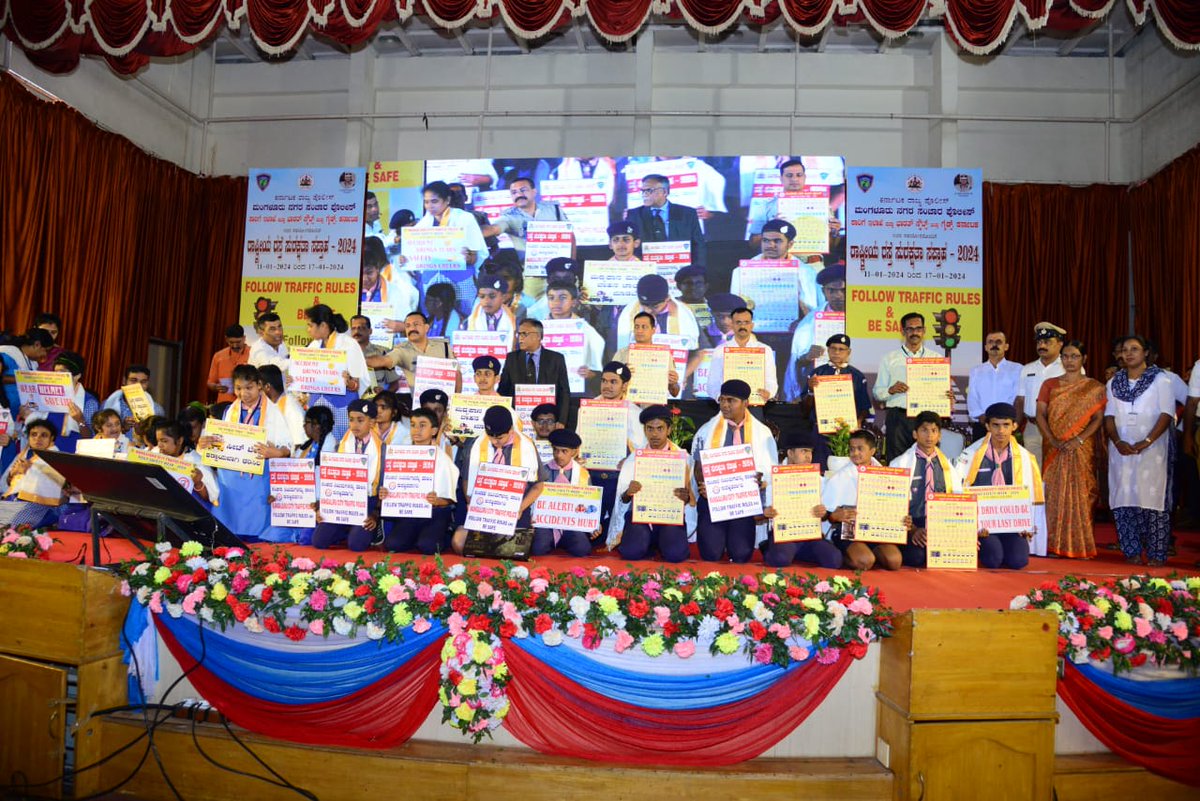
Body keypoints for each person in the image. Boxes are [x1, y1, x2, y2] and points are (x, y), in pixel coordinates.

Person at [1104, 335, 1176, 566]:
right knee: (1123, 496)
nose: (1129, 353)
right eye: (1125, 349)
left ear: (1146, 352)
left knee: (1152, 498)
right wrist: (1117, 441)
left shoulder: (1161, 380)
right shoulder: (1114, 382)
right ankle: (1131, 551)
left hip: (1152, 451)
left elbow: (1166, 414)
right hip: (1122, 451)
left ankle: (1156, 554)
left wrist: (1146, 441)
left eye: (1135, 349)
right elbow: (1109, 416)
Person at [201, 364, 294, 541]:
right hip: (232, 471)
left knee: (259, 501)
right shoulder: (230, 411)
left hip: (260, 472)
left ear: (260, 385)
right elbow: (219, 443)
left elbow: (287, 447)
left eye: (249, 388)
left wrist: (275, 452)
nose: (244, 394)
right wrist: (207, 443)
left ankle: (259, 538)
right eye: (238, 388)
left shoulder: (273, 411)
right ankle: (228, 533)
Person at [692, 380, 778, 563]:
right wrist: (704, 485)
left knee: (740, 555)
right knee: (711, 555)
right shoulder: (706, 431)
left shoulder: (763, 433)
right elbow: (698, 468)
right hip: (713, 502)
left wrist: (762, 481)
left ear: (745, 403)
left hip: (743, 505)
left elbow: (770, 470)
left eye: (731, 400)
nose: (724, 405)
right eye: (722, 400)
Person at [1035, 340, 1104, 560]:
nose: (1069, 361)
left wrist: (1079, 440)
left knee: (1082, 495)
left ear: (1084, 359)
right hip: (1054, 448)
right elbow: (1040, 415)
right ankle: (1053, 544)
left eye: (1075, 356)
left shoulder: (1095, 388)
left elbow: (1097, 419)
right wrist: (1052, 439)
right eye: (1065, 356)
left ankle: (1079, 545)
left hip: (1081, 450)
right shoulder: (1049, 384)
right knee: (1053, 494)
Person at [956, 403, 1044, 569]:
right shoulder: (970, 455)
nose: (1001, 431)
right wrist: (972, 526)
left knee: (1018, 561)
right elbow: (959, 491)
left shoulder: (1025, 458)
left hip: (1011, 524)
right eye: (995, 425)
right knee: (993, 560)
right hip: (983, 526)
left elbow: (1031, 495)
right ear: (987, 426)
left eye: (1006, 425)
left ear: (1015, 426)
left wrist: (1026, 524)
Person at [450, 405, 543, 554]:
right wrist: (471, 503)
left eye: (499, 438)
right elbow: (467, 482)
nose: (494, 442)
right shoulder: (475, 444)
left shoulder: (527, 446)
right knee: (459, 542)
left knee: (519, 548)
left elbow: (538, 486)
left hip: (514, 509)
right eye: (491, 436)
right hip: (483, 507)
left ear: (511, 430)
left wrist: (520, 508)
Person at [610, 405, 695, 562]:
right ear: (645, 430)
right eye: (650, 428)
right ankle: (648, 542)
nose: (654, 434)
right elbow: (622, 499)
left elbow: (693, 501)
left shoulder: (684, 459)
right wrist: (629, 493)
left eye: (660, 428)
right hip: (641, 517)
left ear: (669, 429)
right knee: (631, 553)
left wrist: (686, 497)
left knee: (675, 555)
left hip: (670, 518)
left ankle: (658, 542)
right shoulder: (634, 459)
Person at [889, 412, 963, 568]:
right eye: (924, 430)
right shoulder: (899, 464)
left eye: (934, 430)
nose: (929, 436)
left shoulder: (949, 467)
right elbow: (893, 506)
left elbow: (958, 501)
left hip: (940, 523)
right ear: (915, 434)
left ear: (940, 436)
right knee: (917, 557)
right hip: (911, 522)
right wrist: (913, 530)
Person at [379, 408, 458, 554]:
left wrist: (438, 500)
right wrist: (386, 493)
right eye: (413, 425)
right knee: (393, 545)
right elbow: (394, 485)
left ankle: (443, 534)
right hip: (409, 512)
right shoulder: (400, 454)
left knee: (428, 547)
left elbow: (450, 499)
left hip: (434, 513)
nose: (416, 430)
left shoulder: (442, 459)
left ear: (434, 430)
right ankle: (417, 535)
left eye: (422, 425)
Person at [762, 430, 842, 569]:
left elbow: (826, 514)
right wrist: (768, 511)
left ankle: (793, 552)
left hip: (809, 533)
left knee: (834, 560)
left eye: (810, 452)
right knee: (780, 559)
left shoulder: (818, 480)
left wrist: (822, 513)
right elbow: (767, 509)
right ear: (790, 453)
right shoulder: (775, 477)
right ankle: (775, 547)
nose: (808, 456)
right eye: (803, 451)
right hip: (785, 532)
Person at [311, 399, 383, 552]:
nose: (354, 425)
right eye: (351, 420)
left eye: (360, 420)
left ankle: (368, 528)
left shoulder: (383, 449)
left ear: (372, 422)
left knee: (356, 545)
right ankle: (346, 527)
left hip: (368, 501)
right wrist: (324, 507)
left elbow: (384, 487)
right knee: (319, 541)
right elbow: (332, 481)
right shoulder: (342, 445)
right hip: (342, 501)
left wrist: (376, 514)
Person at [873, 312, 943, 463]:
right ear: (903, 331)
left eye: (918, 329)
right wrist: (891, 390)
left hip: (926, 419)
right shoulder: (890, 358)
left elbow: (941, 391)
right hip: (898, 418)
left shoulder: (936, 358)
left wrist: (946, 396)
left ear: (924, 331)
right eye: (910, 329)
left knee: (927, 461)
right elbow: (877, 393)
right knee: (897, 462)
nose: (914, 333)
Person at [818, 428, 887, 571]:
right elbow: (826, 513)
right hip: (848, 530)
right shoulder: (840, 477)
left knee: (894, 561)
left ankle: (868, 551)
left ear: (872, 451)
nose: (855, 453)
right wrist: (833, 516)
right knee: (865, 561)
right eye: (852, 449)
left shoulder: (887, 474)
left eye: (860, 449)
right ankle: (847, 555)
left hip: (875, 528)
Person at [304, 304, 373, 443]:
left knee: (341, 447)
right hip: (317, 405)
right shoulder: (313, 346)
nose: (308, 330)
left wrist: (349, 382)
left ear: (323, 325)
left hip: (341, 406)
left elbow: (357, 384)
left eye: (310, 325)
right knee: (318, 445)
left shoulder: (349, 345)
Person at [729, 220, 822, 320]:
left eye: (777, 241)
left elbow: (814, 310)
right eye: (765, 240)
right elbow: (734, 308)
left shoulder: (806, 272)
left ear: (790, 244)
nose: (770, 245)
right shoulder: (742, 272)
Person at [531, 429, 600, 557]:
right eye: (556, 450)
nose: (559, 455)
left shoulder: (583, 474)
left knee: (583, 549)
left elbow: (588, 503)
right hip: (546, 523)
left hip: (571, 523)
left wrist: (594, 523)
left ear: (574, 452)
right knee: (538, 549)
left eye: (564, 451)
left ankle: (562, 540)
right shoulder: (542, 470)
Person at [782, 263, 846, 400]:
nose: (838, 296)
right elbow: (796, 362)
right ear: (824, 292)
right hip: (821, 385)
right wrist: (807, 356)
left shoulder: (862, 316)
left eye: (843, 290)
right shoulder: (809, 323)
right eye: (832, 291)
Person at [498, 319, 572, 427]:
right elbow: (503, 391)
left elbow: (564, 392)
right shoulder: (512, 358)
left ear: (538, 336)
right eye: (519, 334)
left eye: (524, 334)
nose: (520, 338)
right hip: (518, 419)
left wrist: (561, 421)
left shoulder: (556, 359)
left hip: (548, 420)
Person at [624, 173, 707, 267]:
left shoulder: (687, 214)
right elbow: (629, 247)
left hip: (681, 271)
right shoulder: (633, 215)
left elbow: (698, 246)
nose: (644, 194)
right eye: (642, 191)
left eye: (649, 190)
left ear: (665, 192)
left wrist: (698, 272)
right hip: (646, 272)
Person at [24, 351, 100, 454]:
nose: (57, 377)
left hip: (72, 455)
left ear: (77, 376)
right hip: (44, 453)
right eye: (55, 373)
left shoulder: (89, 402)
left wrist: (80, 420)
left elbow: (91, 439)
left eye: (63, 373)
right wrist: (27, 414)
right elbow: (35, 428)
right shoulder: (44, 395)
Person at [367, 311, 458, 394]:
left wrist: (455, 401)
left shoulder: (444, 347)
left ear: (426, 328)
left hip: (445, 406)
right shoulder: (401, 350)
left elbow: (457, 375)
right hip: (419, 408)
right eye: (408, 326)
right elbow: (383, 361)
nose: (412, 328)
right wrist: (358, 361)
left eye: (416, 324)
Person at [1015, 322, 1066, 465]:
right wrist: (1015, 426)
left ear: (1060, 344)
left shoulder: (1069, 368)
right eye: (1039, 342)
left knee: (1056, 468)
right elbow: (1020, 400)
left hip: (1058, 428)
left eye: (1047, 342)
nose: (1042, 345)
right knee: (1033, 469)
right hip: (1032, 427)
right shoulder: (1027, 368)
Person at [543, 275, 605, 391]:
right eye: (551, 298)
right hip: (546, 389)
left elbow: (598, 371)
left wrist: (591, 374)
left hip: (576, 390)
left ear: (574, 302)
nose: (556, 302)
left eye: (563, 298)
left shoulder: (588, 331)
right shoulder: (537, 329)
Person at [0, 418, 67, 527]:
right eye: (33, 435)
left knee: (8, 526)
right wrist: (12, 474)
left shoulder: (56, 457)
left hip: (42, 506)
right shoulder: (24, 455)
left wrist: (30, 470)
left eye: (44, 435)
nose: (38, 439)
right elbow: (7, 484)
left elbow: (57, 485)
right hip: (16, 501)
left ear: (52, 439)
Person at [800, 334, 873, 432]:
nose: (837, 352)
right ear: (828, 350)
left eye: (841, 349)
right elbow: (805, 411)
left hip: (847, 430)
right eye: (833, 348)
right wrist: (811, 391)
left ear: (848, 352)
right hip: (821, 430)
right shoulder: (817, 373)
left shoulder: (857, 376)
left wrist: (858, 421)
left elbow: (864, 406)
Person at [705, 307, 778, 404]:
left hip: (755, 404)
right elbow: (712, 384)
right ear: (732, 325)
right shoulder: (720, 350)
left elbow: (771, 381)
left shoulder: (765, 350)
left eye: (746, 322)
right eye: (738, 322)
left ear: (752, 325)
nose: (742, 326)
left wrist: (768, 393)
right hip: (728, 406)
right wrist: (720, 397)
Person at [615, 274, 700, 354]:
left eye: (655, 307)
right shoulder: (627, 314)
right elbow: (618, 351)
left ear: (667, 299)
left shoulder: (684, 315)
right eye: (644, 305)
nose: (648, 311)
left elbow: (696, 353)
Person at [492, 176, 570, 263]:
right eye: (514, 192)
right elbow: (493, 229)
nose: (519, 195)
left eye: (523, 190)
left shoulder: (553, 209)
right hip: (530, 271)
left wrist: (571, 262)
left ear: (534, 192)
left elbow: (570, 236)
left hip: (559, 270)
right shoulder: (508, 216)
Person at [967, 331, 1023, 443]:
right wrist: (984, 419)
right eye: (991, 342)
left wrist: (1007, 421)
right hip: (982, 424)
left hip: (1007, 426)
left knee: (1007, 459)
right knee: (981, 459)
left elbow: (1017, 398)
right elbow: (972, 397)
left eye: (998, 342)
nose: (994, 345)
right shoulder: (976, 371)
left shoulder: (1018, 369)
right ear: (986, 347)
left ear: (1006, 346)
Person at [612, 312, 683, 399]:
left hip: (653, 406)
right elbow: (609, 385)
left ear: (653, 330)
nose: (639, 330)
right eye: (636, 327)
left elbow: (675, 393)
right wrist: (623, 374)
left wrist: (673, 383)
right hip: (627, 405)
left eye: (644, 327)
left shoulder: (663, 355)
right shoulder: (621, 354)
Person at [152, 418, 218, 510]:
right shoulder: (155, 454)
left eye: (164, 441)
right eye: (158, 440)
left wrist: (198, 483)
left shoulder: (196, 462)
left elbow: (210, 498)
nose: (159, 445)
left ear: (179, 441)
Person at [361, 237, 419, 338]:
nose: (365, 278)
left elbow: (410, 323)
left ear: (377, 268)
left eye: (369, 273)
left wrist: (401, 326)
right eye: (360, 273)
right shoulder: (349, 291)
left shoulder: (394, 290)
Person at [102, 364, 166, 433]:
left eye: (143, 382)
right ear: (124, 381)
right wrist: (122, 428)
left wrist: (143, 430)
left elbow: (159, 438)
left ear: (147, 384)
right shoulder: (107, 404)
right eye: (133, 380)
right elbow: (99, 435)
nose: (138, 385)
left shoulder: (156, 410)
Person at [1, 328, 53, 411]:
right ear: (37, 345)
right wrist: (28, 379)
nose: (45, 355)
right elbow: (2, 378)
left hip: (20, 413)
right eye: (45, 350)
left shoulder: (32, 362)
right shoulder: (6, 353)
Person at [461, 273, 517, 347]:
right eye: (482, 296)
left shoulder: (516, 324)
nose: (486, 301)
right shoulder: (467, 323)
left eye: (492, 296)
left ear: (503, 297)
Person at [258, 364, 306, 447]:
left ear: (267, 387)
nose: (255, 389)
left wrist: (282, 454)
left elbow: (299, 443)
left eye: (258, 385)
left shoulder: (291, 406)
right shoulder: (269, 403)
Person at [350, 314, 399, 393]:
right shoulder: (343, 354)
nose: (357, 331)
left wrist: (382, 396)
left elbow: (394, 385)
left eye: (361, 328)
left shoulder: (383, 353)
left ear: (370, 331)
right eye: (353, 328)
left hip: (374, 403)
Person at [206, 324, 250, 403]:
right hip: (224, 404)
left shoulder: (253, 353)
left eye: (238, 342)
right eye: (231, 342)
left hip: (248, 404)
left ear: (244, 338)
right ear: (226, 339)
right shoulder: (218, 356)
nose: (235, 345)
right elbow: (210, 383)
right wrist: (216, 387)